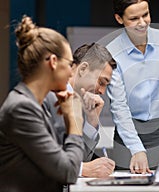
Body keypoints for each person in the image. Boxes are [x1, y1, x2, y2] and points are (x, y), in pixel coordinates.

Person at [0, 16, 84, 192]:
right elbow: (68, 171)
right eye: (70, 64)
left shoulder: (33, 105)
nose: (71, 72)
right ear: (53, 62)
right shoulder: (21, 108)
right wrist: (75, 121)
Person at [106, 0, 159, 173]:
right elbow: (118, 105)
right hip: (127, 133)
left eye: (145, 15)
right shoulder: (111, 51)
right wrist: (136, 148)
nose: (142, 23)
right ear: (119, 19)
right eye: (134, 18)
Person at [44, 42, 116, 178]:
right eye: (101, 82)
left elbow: (78, 157)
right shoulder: (47, 95)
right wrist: (82, 169)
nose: (102, 91)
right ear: (83, 69)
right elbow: (39, 154)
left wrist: (92, 120)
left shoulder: (79, 104)